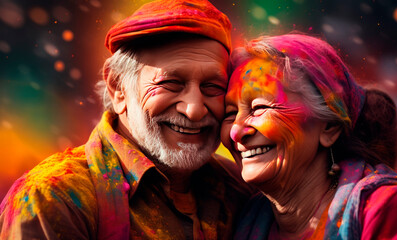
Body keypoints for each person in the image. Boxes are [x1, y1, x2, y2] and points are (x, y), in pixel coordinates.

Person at [0, 0, 251, 239]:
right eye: (171, 83)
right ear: (118, 87)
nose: (194, 110)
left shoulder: (243, 187)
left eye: (213, 86)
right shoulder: (53, 198)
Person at [221, 33, 397, 239]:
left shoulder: (386, 209)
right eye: (230, 113)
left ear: (329, 127)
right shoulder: (236, 217)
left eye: (259, 107)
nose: (236, 131)